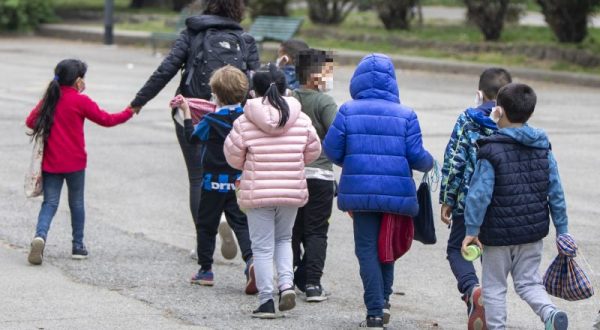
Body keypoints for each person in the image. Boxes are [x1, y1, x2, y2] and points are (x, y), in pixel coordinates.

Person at [128, 0, 260, 258]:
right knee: (232, 176)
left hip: (190, 112)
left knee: (198, 178)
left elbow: (165, 69)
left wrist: (139, 101)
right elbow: (256, 80)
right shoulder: (245, 39)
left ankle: (203, 244)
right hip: (233, 118)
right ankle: (234, 226)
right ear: (238, 10)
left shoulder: (192, 33)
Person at [323, 54, 433, 329]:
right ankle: (384, 300)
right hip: (396, 193)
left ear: (357, 81)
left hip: (360, 194)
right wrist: (430, 162)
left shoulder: (348, 111)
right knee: (389, 246)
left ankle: (374, 312)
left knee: (367, 249)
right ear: (392, 83)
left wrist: (354, 162)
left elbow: (332, 150)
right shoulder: (407, 115)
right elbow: (417, 156)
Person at [462, 83, 569, 330]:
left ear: (498, 111)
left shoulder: (490, 150)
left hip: (497, 235)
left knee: (494, 287)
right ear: (529, 113)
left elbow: (479, 195)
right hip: (531, 234)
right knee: (529, 283)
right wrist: (562, 230)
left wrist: (471, 230)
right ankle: (550, 313)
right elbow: (556, 192)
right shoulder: (543, 148)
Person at [223, 64, 321, 318]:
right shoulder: (301, 118)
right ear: (286, 87)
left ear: (253, 91)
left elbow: (233, 157)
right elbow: (313, 151)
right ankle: (286, 285)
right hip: (290, 189)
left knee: (263, 247)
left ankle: (266, 300)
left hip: (258, 193)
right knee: (284, 240)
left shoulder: (245, 120)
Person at [25, 59, 134, 265]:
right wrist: (129, 111)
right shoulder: (80, 101)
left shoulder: (50, 99)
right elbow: (107, 120)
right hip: (75, 163)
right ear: (77, 81)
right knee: (76, 203)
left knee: (50, 203)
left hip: (51, 163)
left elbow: (31, 122)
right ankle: (78, 246)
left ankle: (40, 237)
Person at [172, 65, 255, 294]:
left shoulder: (210, 120)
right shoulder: (247, 118)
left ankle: (205, 270)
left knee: (206, 226)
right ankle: (251, 262)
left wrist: (187, 112)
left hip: (212, 182)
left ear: (215, 94)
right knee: (241, 224)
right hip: (238, 182)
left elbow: (192, 137)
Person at [439, 67, 512, 328]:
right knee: (491, 254)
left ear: (479, 94)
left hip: (467, 204)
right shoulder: (514, 123)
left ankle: (472, 290)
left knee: (457, 249)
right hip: (502, 205)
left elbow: (454, 160)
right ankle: (493, 307)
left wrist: (448, 197)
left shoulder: (468, 120)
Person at [291, 48, 337, 301]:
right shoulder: (325, 102)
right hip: (320, 175)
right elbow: (338, 134)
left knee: (292, 231)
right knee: (317, 231)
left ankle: (288, 279)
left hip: (293, 173)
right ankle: (312, 284)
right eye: (328, 72)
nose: (331, 77)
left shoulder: (290, 98)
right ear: (315, 75)